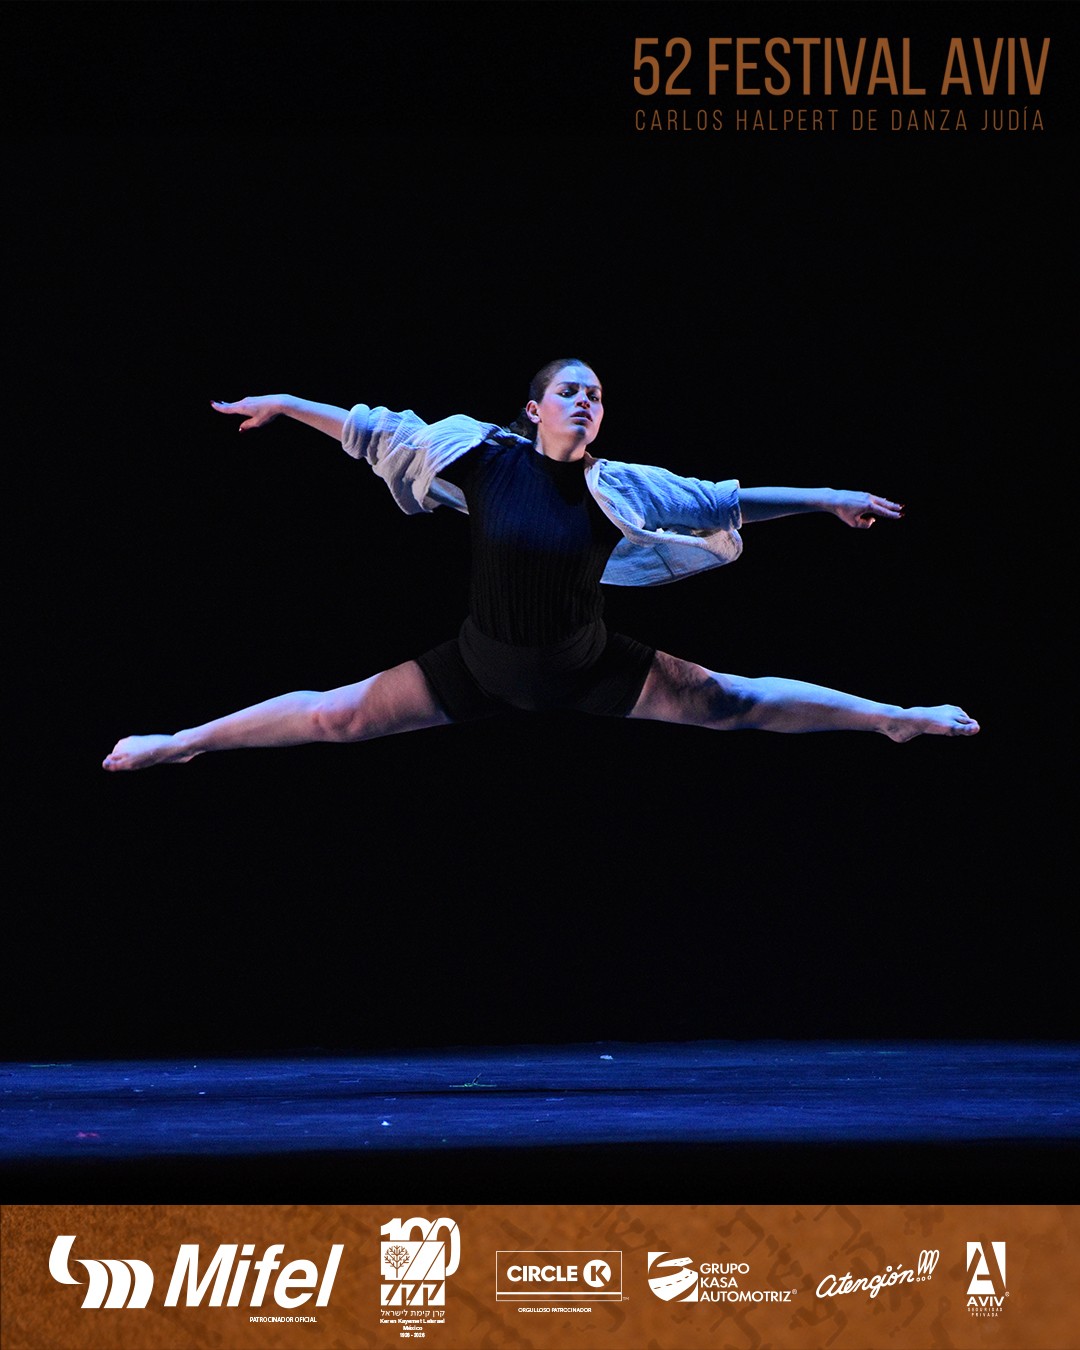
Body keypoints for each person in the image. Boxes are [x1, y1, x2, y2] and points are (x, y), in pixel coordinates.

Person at [102, 358, 978, 772]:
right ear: (534, 408)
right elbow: (375, 432)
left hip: (590, 667)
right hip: (481, 665)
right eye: (571, 391)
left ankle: (896, 719)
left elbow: (725, 501)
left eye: (597, 395)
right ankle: (181, 744)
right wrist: (291, 402)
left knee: (733, 702)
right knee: (337, 716)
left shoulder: (620, 486)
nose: (587, 402)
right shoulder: (482, 457)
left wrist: (826, 497)